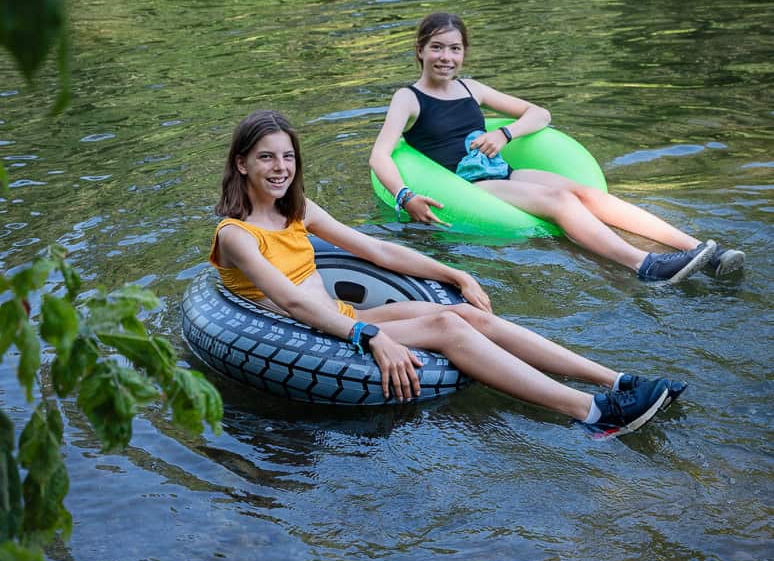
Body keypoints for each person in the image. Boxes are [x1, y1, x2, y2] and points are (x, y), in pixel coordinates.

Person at [209, 108, 686, 437]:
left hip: (334, 313)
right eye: (267, 157)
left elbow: (375, 249)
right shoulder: (236, 235)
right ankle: (593, 413)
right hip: (299, 331)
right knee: (445, 324)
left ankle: (617, 381)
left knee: (466, 313)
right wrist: (369, 335)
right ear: (242, 163)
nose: (280, 167)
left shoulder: (300, 210)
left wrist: (454, 272)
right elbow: (292, 303)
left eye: (287, 156)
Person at [368, 11, 745, 283]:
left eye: (454, 48)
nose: (446, 58)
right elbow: (381, 153)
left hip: (501, 171)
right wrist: (405, 196)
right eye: (437, 48)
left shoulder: (473, 89)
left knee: (582, 191)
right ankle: (643, 265)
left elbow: (539, 113)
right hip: (471, 185)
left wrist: (505, 135)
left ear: (464, 52)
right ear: (420, 50)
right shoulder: (409, 98)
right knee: (562, 203)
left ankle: (700, 251)